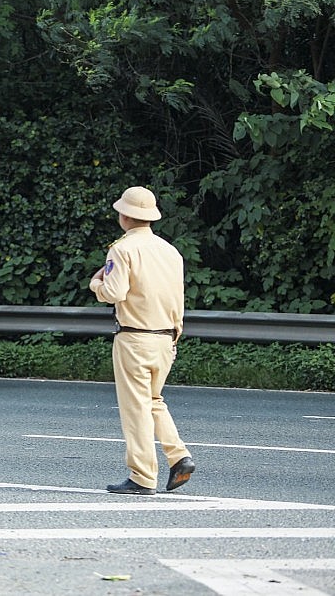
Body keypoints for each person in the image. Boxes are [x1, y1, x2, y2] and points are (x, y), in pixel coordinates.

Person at [89, 186, 195, 495]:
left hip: (135, 337)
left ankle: (142, 476)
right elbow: (178, 298)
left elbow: (115, 293)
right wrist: (175, 332)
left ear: (124, 215)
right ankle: (179, 457)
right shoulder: (170, 251)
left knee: (135, 408)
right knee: (152, 401)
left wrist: (96, 284)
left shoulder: (122, 250)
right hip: (166, 337)